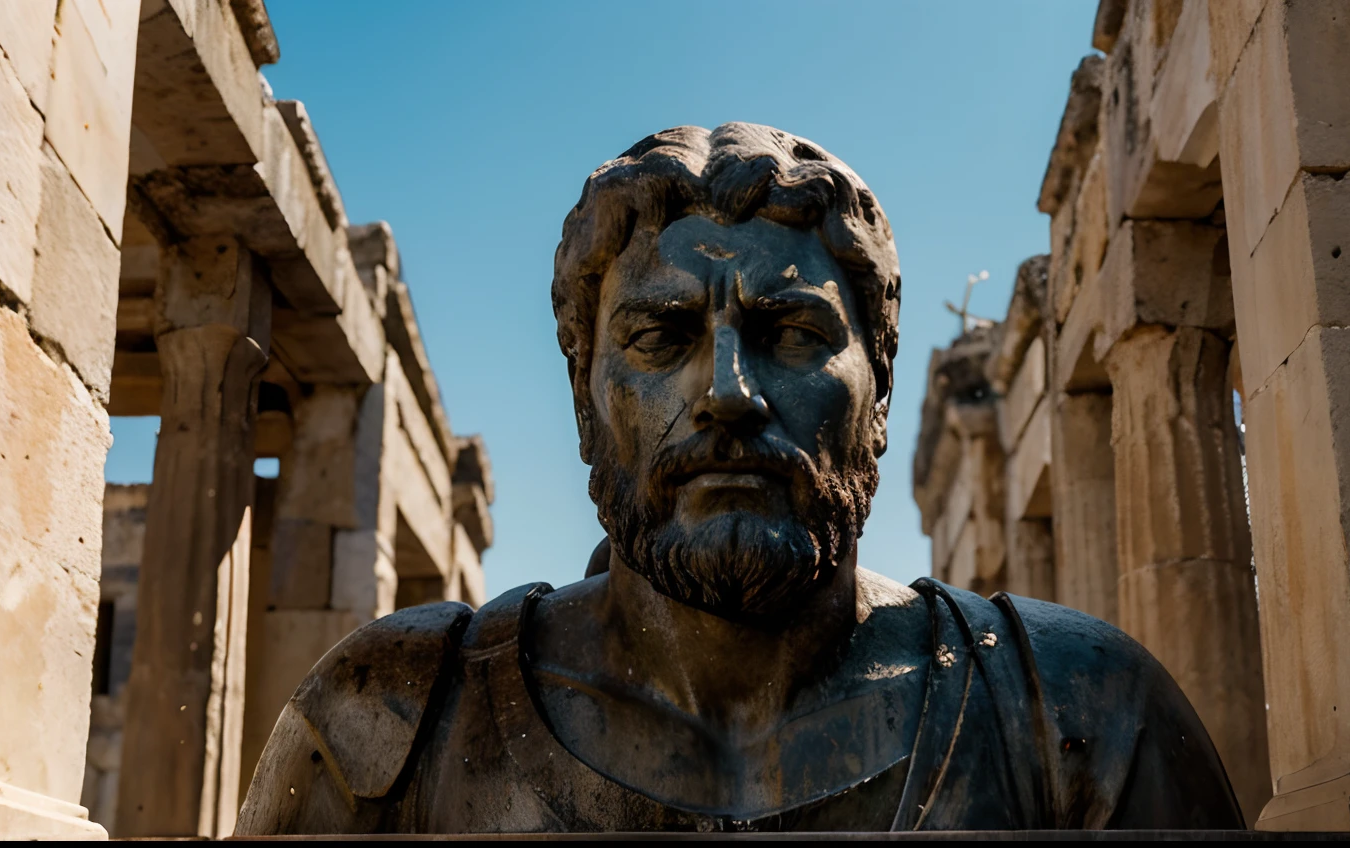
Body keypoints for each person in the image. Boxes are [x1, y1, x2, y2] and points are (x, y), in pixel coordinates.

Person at [236, 123, 1243, 834]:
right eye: (661, 335)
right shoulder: (384, 718)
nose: (726, 393)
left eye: (792, 332)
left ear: (878, 385)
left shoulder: (1088, 714)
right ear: (587, 398)